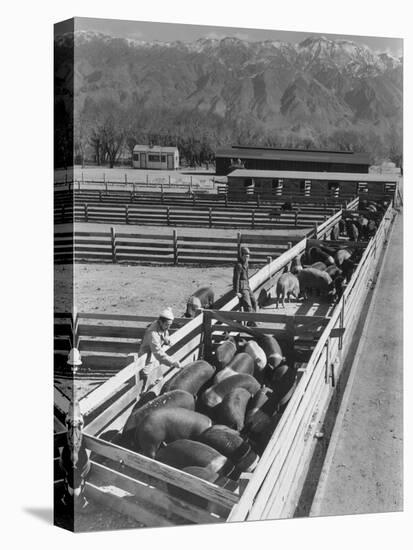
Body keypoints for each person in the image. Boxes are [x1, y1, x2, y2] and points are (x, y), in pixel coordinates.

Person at [138, 307, 181, 391]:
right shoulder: (152, 333)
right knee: (146, 384)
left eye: (170, 325)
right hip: (147, 361)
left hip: (155, 360)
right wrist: (172, 362)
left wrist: (167, 340)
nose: (168, 327)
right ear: (160, 322)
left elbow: (165, 334)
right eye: (167, 325)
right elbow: (157, 352)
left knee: (158, 381)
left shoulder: (161, 326)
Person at [233, 246, 258, 325]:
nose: (247, 258)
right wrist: (237, 292)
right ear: (242, 256)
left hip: (247, 285)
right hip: (241, 287)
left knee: (254, 302)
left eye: (248, 256)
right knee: (248, 305)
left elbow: (246, 276)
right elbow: (236, 279)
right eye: (245, 256)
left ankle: (251, 320)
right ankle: (252, 322)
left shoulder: (246, 264)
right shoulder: (239, 265)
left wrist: (249, 286)